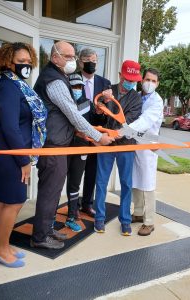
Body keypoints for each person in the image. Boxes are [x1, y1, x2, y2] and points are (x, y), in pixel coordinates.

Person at [31, 41, 114, 250]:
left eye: (73, 57)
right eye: (68, 57)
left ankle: (47, 230)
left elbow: (65, 117)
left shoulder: (58, 77)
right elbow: (73, 114)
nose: (72, 61)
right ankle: (40, 237)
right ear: (55, 57)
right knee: (50, 193)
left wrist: (79, 133)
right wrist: (97, 137)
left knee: (53, 190)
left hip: (58, 144)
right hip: (53, 146)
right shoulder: (54, 81)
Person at [0, 42, 47, 267]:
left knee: (5, 201)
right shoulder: (8, 86)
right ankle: (2, 250)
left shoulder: (15, 85)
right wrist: (24, 161)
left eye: (29, 62)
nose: (26, 65)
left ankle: (2, 244)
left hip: (8, 151)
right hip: (9, 154)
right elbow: (11, 127)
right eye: (21, 61)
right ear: (8, 61)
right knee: (14, 202)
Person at [94, 60, 142, 236]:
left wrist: (117, 133)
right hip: (106, 144)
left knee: (126, 184)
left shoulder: (136, 98)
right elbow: (98, 114)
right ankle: (99, 219)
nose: (130, 83)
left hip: (126, 145)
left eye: (133, 80)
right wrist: (102, 104)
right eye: (127, 79)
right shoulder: (108, 91)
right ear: (120, 76)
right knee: (101, 182)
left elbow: (129, 121)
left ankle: (125, 221)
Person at [129, 68, 163, 236]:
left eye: (154, 81)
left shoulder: (156, 101)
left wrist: (126, 130)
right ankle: (138, 212)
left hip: (149, 144)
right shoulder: (137, 96)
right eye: (147, 79)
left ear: (158, 84)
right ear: (142, 79)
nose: (150, 83)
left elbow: (146, 120)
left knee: (148, 183)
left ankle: (149, 222)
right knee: (136, 178)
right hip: (135, 142)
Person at [78, 48, 112, 217]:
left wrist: (104, 107)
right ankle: (72, 205)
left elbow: (110, 110)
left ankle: (87, 203)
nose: (91, 63)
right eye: (87, 59)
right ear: (80, 62)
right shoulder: (72, 80)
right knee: (75, 171)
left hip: (97, 135)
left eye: (94, 60)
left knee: (92, 171)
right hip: (77, 134)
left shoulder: (105, 83)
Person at [65, 73, 90, 232]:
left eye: (80, 86)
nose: (77, 89)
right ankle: (50, 217)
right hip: (64, 147)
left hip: (81, 147)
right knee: (56, 183)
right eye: (74, 86)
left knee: (75, 183)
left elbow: (91, 124)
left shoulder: (86, 103)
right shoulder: (63, 102)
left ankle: (72, 216)